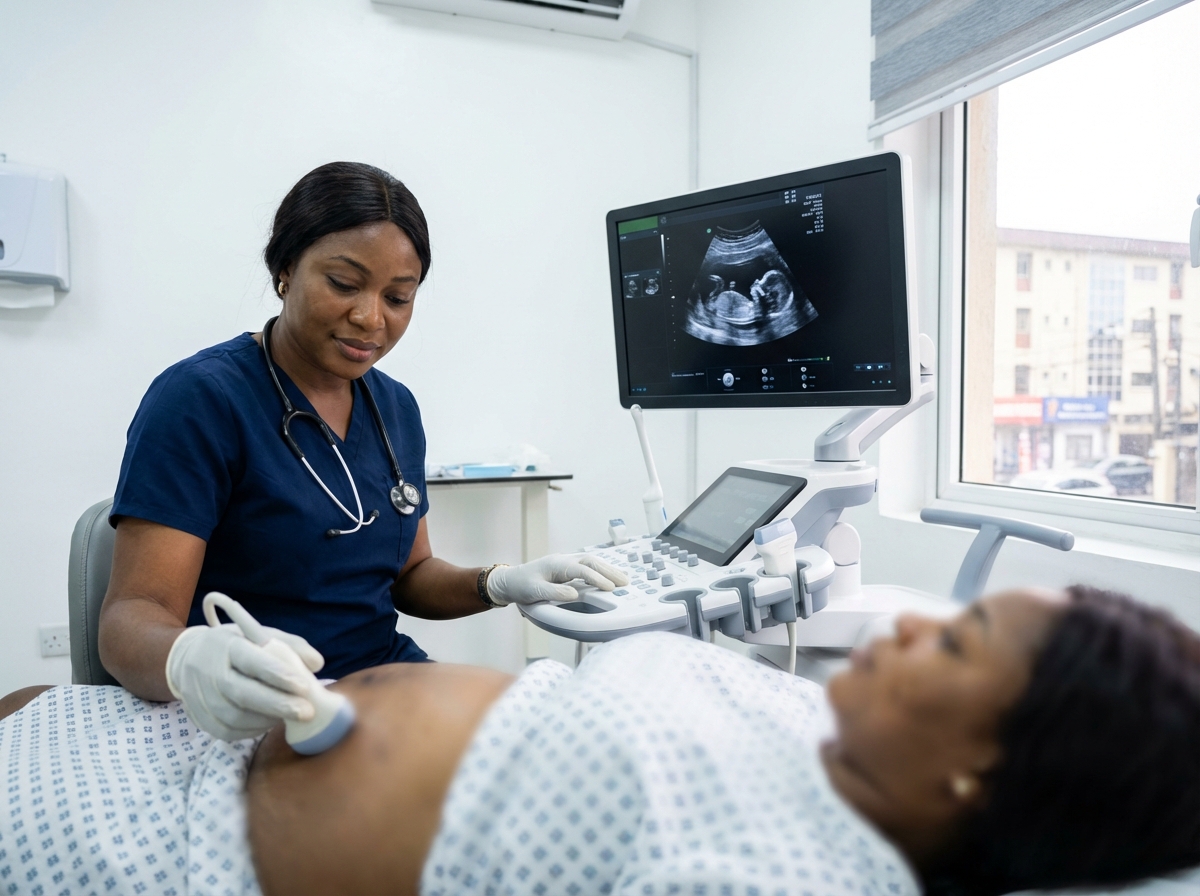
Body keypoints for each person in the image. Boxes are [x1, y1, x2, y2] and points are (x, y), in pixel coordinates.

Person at [1, 586, 1198, 895]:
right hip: (195, 742)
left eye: (958, 640)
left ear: (977, 768)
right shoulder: (820, 722)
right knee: (21, 702)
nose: (910, 623)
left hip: (186, 853)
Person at [95, 161, 627, 742]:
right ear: (285, 269)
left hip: (384, 680)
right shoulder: (201, 399)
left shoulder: (393, 407)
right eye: (345, 285)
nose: (370, 318)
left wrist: (498, 582)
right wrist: (194, 659)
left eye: (398, 297)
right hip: (271, 702)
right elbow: (131, 619)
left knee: (555, 734)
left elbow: (412, 576)